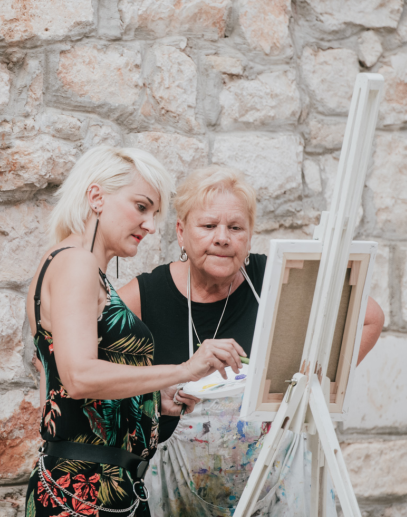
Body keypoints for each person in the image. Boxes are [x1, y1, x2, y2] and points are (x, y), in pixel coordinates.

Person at [117, 165, 385, 516]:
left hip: (277, 488)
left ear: (249, 234)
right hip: (180, 494)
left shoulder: (278, 278)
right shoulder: (145, 296)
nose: (223, 238)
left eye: (235, 227)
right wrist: (151, 398)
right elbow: (89, 369)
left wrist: (312, 390)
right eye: (209, 226)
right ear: (181, 232)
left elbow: (368, 318)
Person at [25, 146, 248, 517]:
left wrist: (150, 400)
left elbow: (70, 389)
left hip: (106, 489)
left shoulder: (78, 266)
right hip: (82, 493)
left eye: (154, 213)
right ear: (96, 197)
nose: (149, 224)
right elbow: (78, 376)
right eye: (141, 207)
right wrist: (185, 370)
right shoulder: (75, 263)